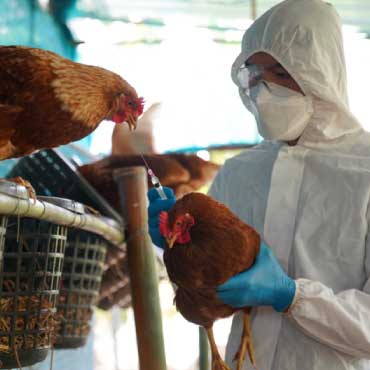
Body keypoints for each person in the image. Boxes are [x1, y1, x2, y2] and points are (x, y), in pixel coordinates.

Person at [147, 0, 370, 369]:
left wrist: (292, 297)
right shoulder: (239, 173)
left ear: (320, 71)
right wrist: (171, 246)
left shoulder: (363, 170)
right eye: (257, 73)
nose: (265, 88)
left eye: (281, 72)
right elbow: (206, 287)